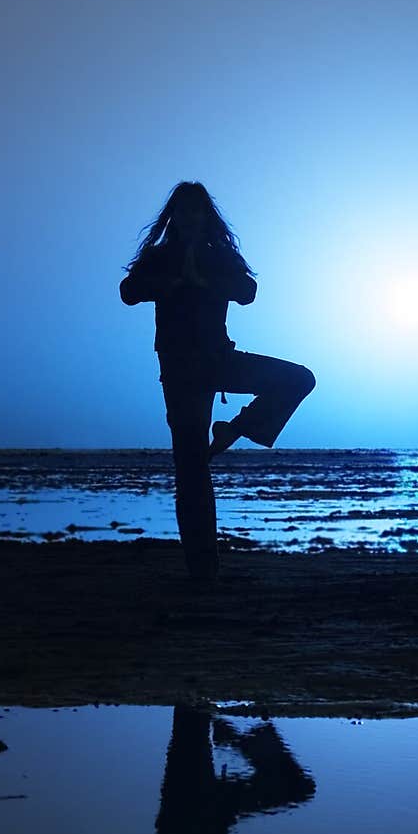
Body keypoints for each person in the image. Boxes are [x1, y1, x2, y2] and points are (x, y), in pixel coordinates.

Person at [119, 181, 315, 581]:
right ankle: (203, 572)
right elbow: (128, 291)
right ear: (174, 217)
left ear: (206, 217)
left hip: (220, 359)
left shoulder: (219, 257)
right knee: (191, 470)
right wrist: (169, 283)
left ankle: (235, 428)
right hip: (179, 370)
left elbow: (248, 291)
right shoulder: (160, 257)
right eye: (184, 211)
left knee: (298, 378)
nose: (191, 218)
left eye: (197, 211)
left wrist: (204, 280)